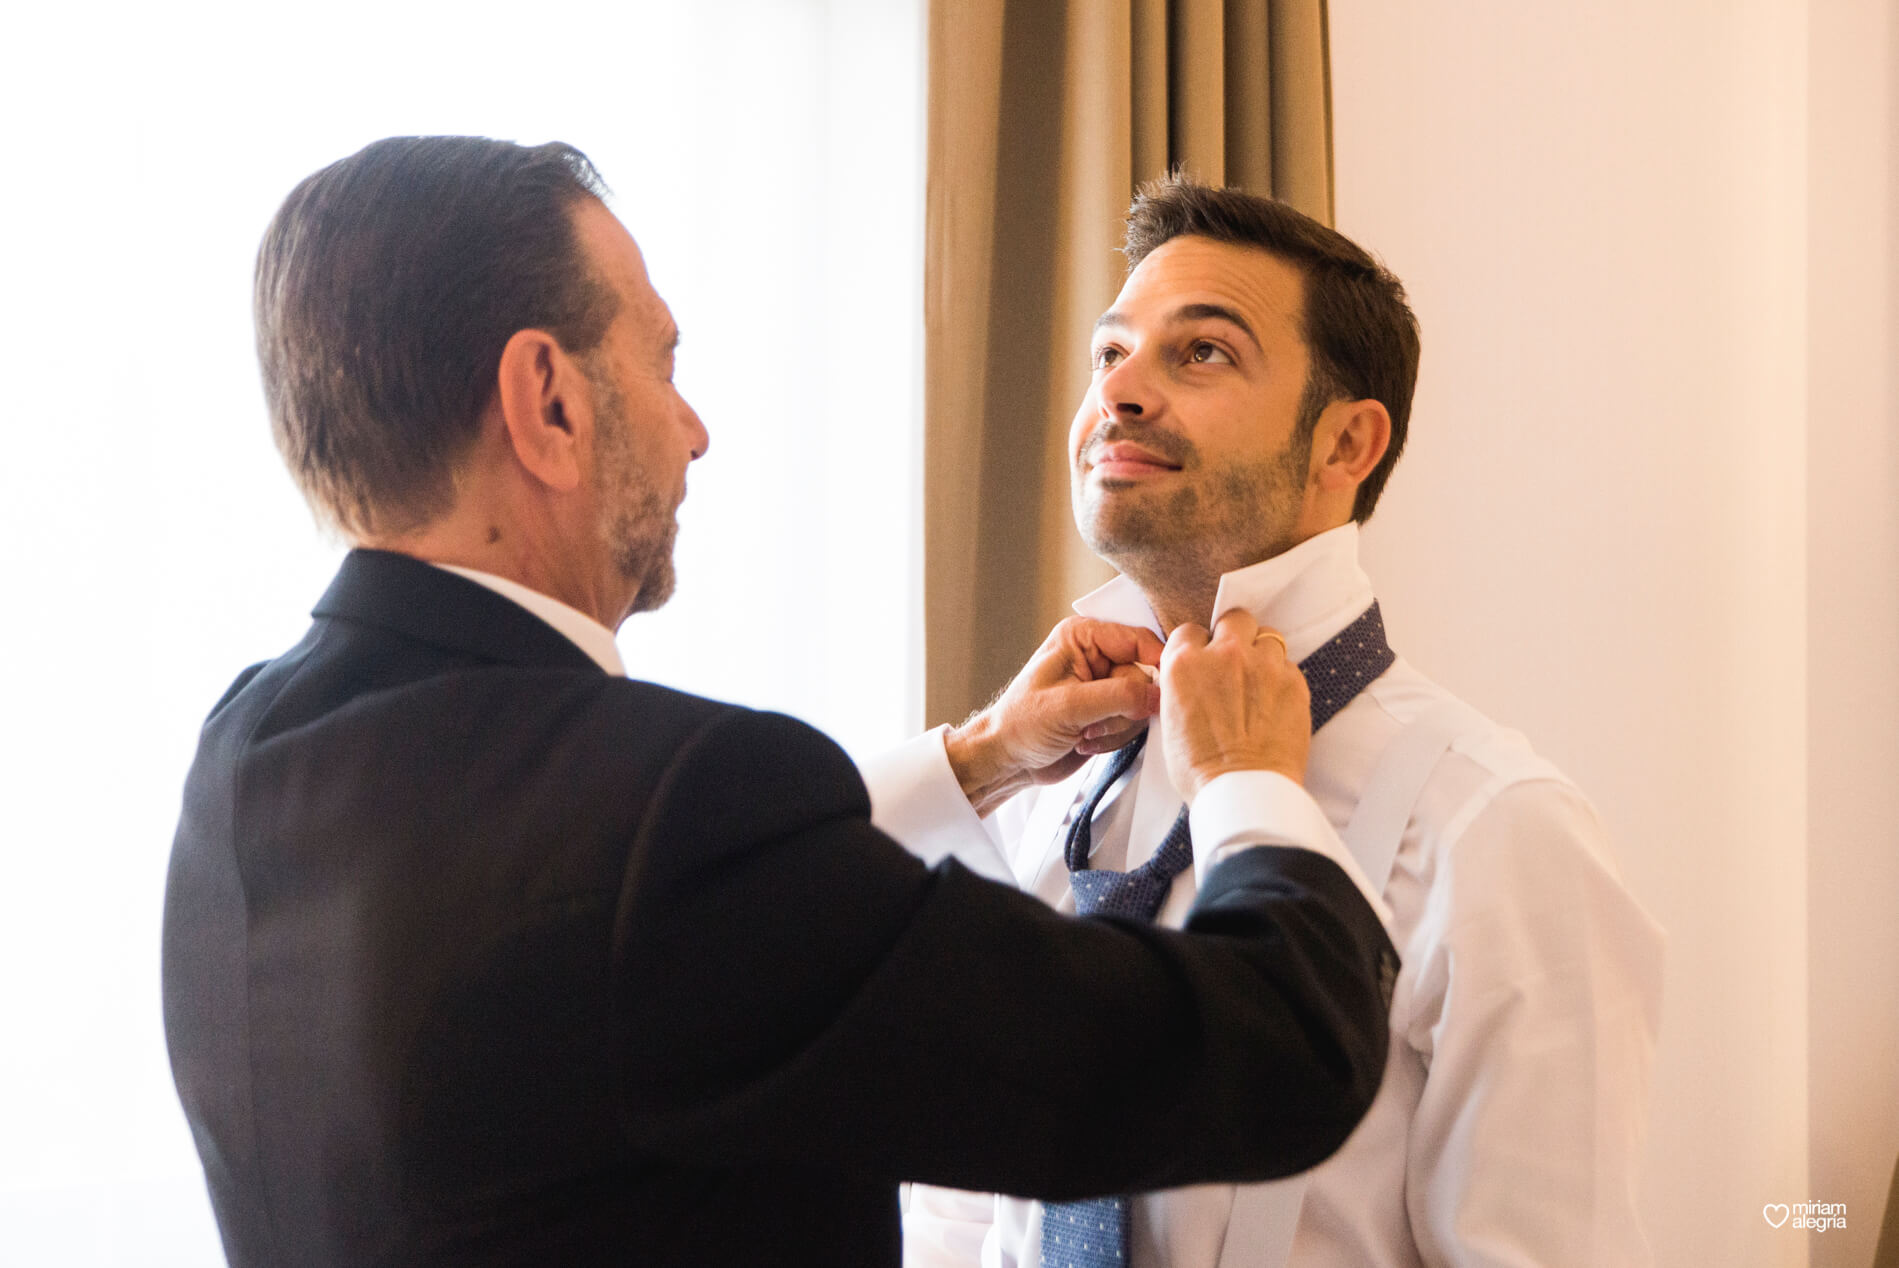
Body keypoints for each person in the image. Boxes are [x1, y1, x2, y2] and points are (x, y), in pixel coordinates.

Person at [160, 137, 1400, 1268]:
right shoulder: (678, 812)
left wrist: (973, 757)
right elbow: (1277, 1054)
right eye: (662, 360)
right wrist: (1248, 780)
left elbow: (601, 913)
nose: (693, 430)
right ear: (549, 402)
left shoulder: (248, 754)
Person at [872, 177, 1667, 1267]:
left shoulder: (1499, 831)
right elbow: (962, 1201)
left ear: (1346, 444)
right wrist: (989, 754)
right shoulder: (1044, 784)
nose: (1121, 393)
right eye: (1110, 353)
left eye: (1201, 352)